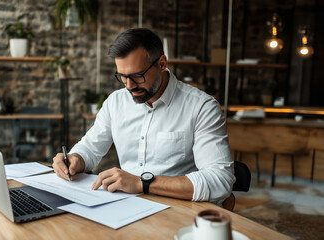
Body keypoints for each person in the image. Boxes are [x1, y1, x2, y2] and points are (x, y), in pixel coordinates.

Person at [52, 28, 235, 205]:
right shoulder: (115, 102)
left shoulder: (202, 107)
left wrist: (143, 183)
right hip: (126, 207)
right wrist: (76, 158)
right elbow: (90, 148)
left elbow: (220, 179)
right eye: (122, 76)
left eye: (137, 76)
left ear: (162, 64)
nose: (129, 86)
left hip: (178, 210)